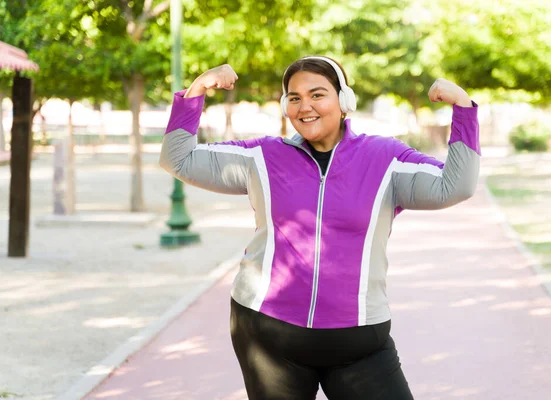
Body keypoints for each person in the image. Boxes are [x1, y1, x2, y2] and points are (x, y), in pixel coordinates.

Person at [160, 55, 480, 400]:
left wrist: (463, 108)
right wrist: (197, 90)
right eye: (294, 98)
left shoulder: (385, 159)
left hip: (359, 340)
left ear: (344, 102)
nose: (305, 107)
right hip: (269, 337)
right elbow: (179, 159)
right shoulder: (262, 156)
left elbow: (455, 185)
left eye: (317, 94)